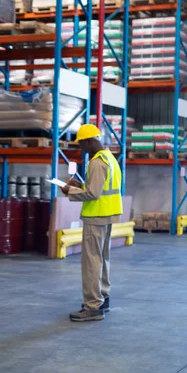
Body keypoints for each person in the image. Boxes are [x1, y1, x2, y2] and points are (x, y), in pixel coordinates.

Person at [63, 123, 123, 322]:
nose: (82, 149)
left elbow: (92, 193)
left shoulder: (96, 162)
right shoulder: (109, 158)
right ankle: (102, 297)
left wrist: (69, 191)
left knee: (91, 262)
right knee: (102, 258)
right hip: (108, 215)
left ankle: (92, 306)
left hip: (95, 217)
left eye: (82, 144)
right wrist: (79, 185)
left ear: (89, 141)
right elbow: (99, 187)